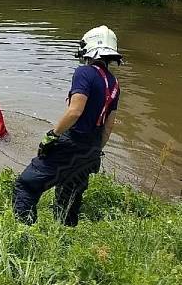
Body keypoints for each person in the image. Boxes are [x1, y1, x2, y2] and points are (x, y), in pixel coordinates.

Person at [13, 25, 122, 226]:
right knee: (70, 196)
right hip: (92, 148)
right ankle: (65, 238)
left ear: (89, 47)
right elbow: (109, 126)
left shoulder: (84, 72)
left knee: (26, 186)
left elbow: (75, 111)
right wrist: (95, 150)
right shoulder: (114, 83)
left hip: (72, 143)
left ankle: (23, 236)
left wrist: (52, 135)